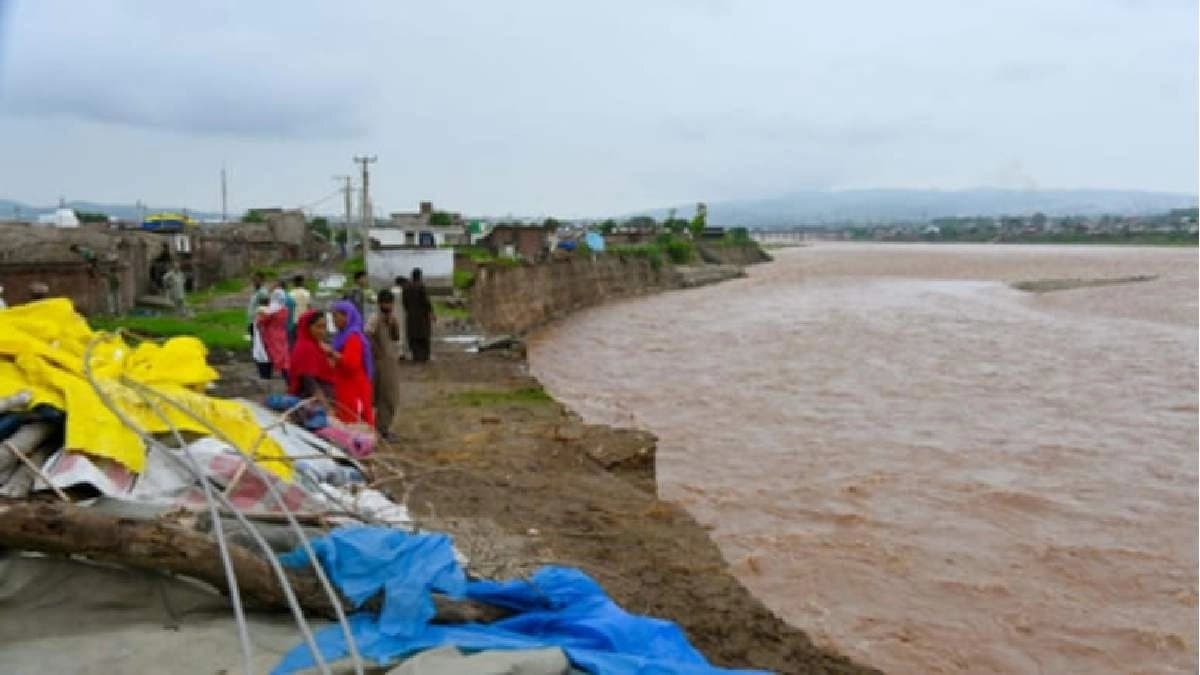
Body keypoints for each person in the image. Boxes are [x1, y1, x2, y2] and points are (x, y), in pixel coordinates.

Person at [329, 300, 375, 426]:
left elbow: (351, 364)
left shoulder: (353, 337)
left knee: (354, 419)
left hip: (353, 386)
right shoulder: (341, 336)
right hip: (345, 385)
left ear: (347, 316)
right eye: (332, 316)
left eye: (336, 316)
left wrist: (331, 353)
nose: (333, 320)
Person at [366, 289, 401, 439]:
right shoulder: (374, 318)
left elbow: (395, 337)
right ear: (380, 303)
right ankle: (382, 429)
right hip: (381, 362)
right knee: (386, 396)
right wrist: (377, 352)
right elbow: (367, 334)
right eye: (385, 303)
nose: (388, 306)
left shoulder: (391, 318)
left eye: (390, 303)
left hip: (391, 360)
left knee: (389, 395)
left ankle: (382, 426)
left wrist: (393, 324)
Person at [255, 288, 291, 381]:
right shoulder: (284, 309)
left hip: (271, 335)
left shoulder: (270, 311)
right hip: (282, 334)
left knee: (270, 355)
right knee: (283, 355)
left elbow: (260, 322)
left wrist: (260, 315)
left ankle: (277, 374)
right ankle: (287, 376)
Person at [402, 267, 434, 362]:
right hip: (422, 316)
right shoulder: (421, 286)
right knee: (424, 335)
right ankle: (424, 356)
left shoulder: (406, 287)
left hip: (411, 315)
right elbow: (426, 301)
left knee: (413, 336)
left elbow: (405, 302)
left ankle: (415, 355)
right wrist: (430, 311)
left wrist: (409, 310)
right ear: (420, 276)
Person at [390, 276, 410, 359]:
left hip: (393, 313)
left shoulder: (391, 291)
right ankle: (402, 353)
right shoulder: (403, 291)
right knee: (402, 332)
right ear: (401, 283)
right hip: (402, 313)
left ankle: (397, 353)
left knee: (394, 332)